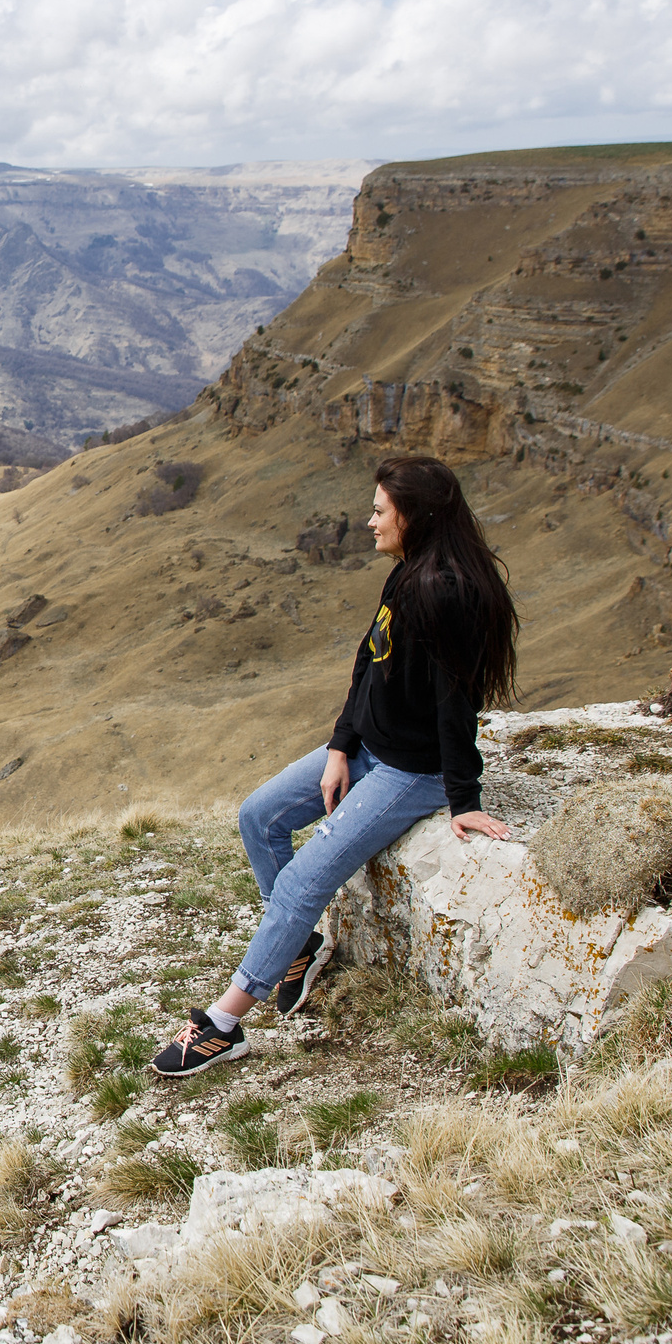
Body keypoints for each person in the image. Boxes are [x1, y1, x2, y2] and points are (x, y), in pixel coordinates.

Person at [151, 454, 519, 1077]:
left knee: (300, 884)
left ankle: (224, 1025)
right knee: (258, 815)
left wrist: (465, 799)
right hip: (370, 748)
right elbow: (369, 661)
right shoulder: (407, 573)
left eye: (380, 511)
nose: (369, 521)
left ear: (415, 516)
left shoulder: (443, 591)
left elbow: (456, 703)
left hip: (413, 772)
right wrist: (342, 745)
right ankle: (300, 946)